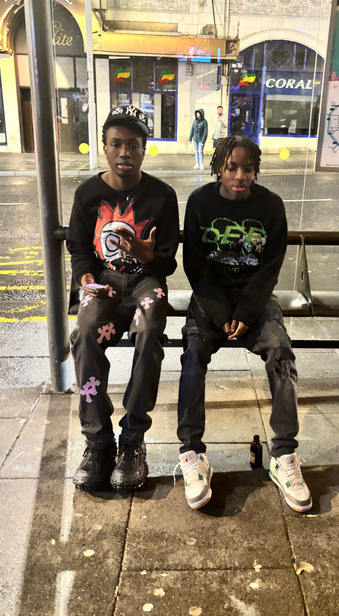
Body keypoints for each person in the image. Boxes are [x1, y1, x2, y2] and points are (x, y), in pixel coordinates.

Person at [175, 135, 312, 513]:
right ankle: (192, 454)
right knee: (192, 356)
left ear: (255, 170)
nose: (240, 175)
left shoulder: (271, 206)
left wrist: (246, 313)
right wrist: (222, 314)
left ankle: (284, 456)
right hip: (210, 300)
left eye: (247, 169)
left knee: (281, 353)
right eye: (232, 167)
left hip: (255, 300)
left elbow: (270, 268)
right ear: (218, 167)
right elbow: (195, 265)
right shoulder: (200, 202)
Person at [67, 105, 179, 493]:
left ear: (144, 149)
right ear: (104, 147)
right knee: (84, 332)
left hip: (147, 282)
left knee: (149, 330)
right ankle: (98, 441)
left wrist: (149, 255)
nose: (124, 152)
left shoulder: (162, 196)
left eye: (133, 144)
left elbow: (167, 261)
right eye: (116, 144)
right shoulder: (88, 193)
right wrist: (85, 277)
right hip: (105, 282)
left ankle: (133, 437)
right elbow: (79, 247)